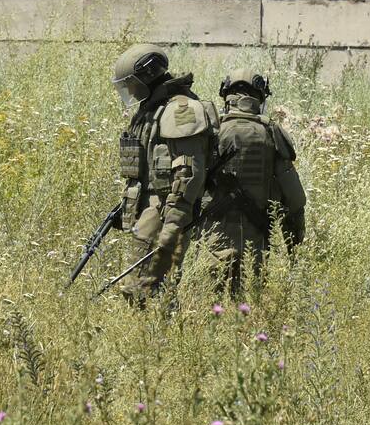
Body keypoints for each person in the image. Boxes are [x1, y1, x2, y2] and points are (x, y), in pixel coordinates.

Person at [111, 44, 215, 305]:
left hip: (165, 209)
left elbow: (188, 170)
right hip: (152, 208)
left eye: (133, 83)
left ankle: (157, 336)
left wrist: (173, 222)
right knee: (145, 287)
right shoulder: (153, 108)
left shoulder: (181, 109)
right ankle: (157, 334)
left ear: (147, 76)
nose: (131, 90)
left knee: (142, 287)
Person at [206, 69, 306, 296]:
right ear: (260, 97)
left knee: (212, 306)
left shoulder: (211, 131)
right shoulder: (271, 132)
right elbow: (294, 198)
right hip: (255, 239)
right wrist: (294, 247)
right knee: (249, 305)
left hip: (211, 238)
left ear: (226, 96)